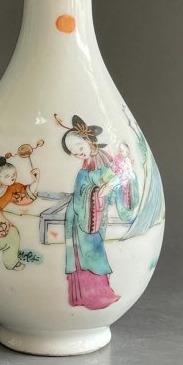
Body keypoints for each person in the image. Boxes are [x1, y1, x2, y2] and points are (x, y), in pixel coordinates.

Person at [61, 115, 120, 310]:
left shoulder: (102, 161)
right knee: (80, 254)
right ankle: (82, 295)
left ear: (88, 141)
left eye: (79, 148)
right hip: (78, 215)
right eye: (74, 153)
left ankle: (98, 294)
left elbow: (115, 177)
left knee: (92, 252)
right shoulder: (88, 164)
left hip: (90, 216)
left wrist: (104, 189)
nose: (78, 153)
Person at [0, 156, 39, 284]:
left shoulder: (12, 188)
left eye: (14, 175)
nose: (12, 178)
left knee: (12, 234)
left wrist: (36, 180)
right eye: (8, 176)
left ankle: (11, 262)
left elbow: (25, 193)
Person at [111, 141, 140, 221]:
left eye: (123, 151)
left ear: (127, 152)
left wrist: (130, 171)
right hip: (120, 180)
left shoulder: (128, 159)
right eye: (120, 150)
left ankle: (129, 213)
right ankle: (122, 213)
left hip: (127, 181)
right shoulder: (117, 159)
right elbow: (114, 168)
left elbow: (129, 170)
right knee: (119, 195)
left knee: (129, 197)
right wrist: (118, 172)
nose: (121, 152)